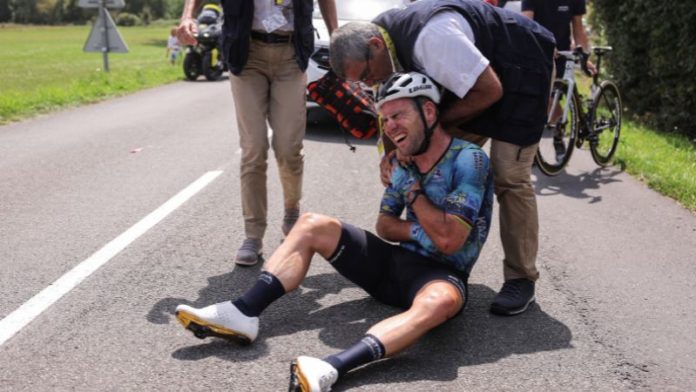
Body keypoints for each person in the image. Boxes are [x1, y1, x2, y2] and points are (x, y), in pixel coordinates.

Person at [174, 72, 494, 391]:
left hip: (440, 277)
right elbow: (385, 225)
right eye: (386, 119)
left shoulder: (469, 160)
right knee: (313, 223)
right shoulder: (403, 161)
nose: (391, 126)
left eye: (398, 115)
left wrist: (412, 193)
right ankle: (243, 312)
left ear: (428, 112)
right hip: (392, 264)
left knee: (439, 302)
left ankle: (330, 368)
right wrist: (425, 230)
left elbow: (451, 242)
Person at [329, 0, 555, 316]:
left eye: (367, 74)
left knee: (509, 176)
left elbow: (489, 90)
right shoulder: (380, 42)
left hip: (520, 71)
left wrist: (433, 127)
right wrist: (392, 153)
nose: (368, 84)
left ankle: (521, 278)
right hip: (472, 81)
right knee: (427, 155)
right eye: (361, 82)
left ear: (376, 46)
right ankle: (430, 254)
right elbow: (392, 102)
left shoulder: (431, 38)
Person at [176, 0, 337, 266]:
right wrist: (187, 16)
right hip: (246, 52)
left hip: (290, 52)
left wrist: (335, 34)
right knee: (254, 147)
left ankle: (291, 210)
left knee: (288, 148)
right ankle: (253, 235)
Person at [521, 0, 595, 158]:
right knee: (543, 99)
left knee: (555, 96)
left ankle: (558, 134)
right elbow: (526, 22)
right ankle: (555, 132)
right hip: (540, 52)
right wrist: (544, 41)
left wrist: (584, 57)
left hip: (563, 54)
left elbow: (578, 27)